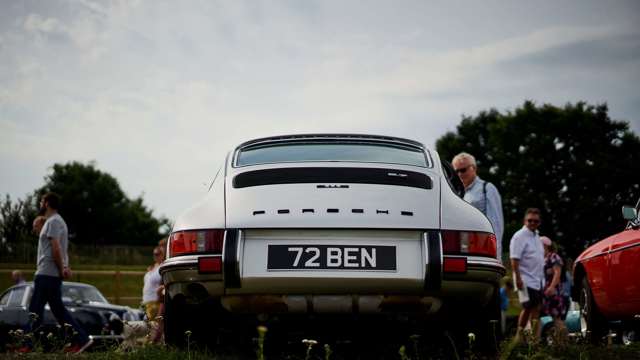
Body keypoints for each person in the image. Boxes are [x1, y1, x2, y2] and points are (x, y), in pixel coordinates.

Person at [26, 192, 92, 353]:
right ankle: (81, 339)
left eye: (42, 201)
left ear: (47, 203)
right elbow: (59, 249)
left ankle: (29, 345)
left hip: (47, 273)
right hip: (49, 273)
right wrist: (64, 267)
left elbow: (56, 247)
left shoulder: (53, 221)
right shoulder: (56, 221)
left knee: (35, 309)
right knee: (57, 310)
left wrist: (62, 268)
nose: (40, 203)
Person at [452, 152, 505, 263]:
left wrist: (497, 257)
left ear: (474, 168)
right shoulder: (455, 193)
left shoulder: (487, 188)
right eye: (456, 171)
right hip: (461, 252)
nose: (460, 174)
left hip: (483, 252)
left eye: (463, 170)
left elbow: (496, 224)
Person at [509, 208, 545, 343]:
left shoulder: (536, 236)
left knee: (536, 309)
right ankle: (519, 336)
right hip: (525, 279)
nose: (532, 223)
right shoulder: (519, 236)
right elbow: (514, 259)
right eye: (530, 220)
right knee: (527, 307)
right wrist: (517, 277)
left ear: (539, 222)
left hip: (537, 280)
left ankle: (534, 339)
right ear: (525, 221)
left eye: (536, 221)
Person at [540, 236, 567, 343]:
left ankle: (564, 343)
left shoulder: (553, 256)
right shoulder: (543, 258)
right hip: (546, 293)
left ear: (545, 245)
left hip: (554, 292)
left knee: (557, 318)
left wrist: (551, 287)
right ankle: (559, 342)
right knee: (553, 317)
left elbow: (557, 272)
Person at [142, 246, 164, 342]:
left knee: (152, 325)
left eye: (158, 254)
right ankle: (150, 344)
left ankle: (150, 345)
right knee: (149, 325)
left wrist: (160, 294)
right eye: (154, 254)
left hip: (154, 301)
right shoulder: (153, 267)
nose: (155, 256)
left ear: (163, 255)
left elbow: (164, 283)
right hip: (147, 301)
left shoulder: (162, 267)